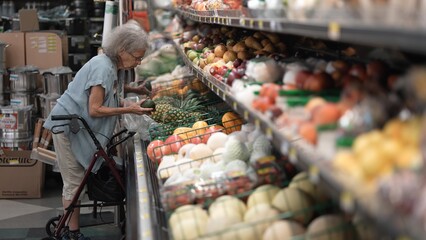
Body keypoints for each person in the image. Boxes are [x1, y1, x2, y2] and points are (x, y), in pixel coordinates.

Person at [43, 20, 152, 240]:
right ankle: (70, 233)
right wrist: (128, 109)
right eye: (137, 57)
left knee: (79, 179)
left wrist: (132, 90)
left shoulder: (111, 65)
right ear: (122, 50)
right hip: (69, 128)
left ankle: (69, 227)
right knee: (74, 182)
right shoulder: (103, 67)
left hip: (79, 127)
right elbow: (95, 108)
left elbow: (109, 91)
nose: (138, 62)